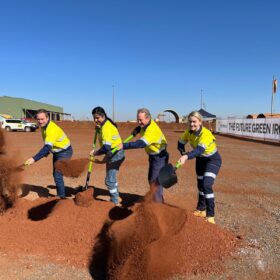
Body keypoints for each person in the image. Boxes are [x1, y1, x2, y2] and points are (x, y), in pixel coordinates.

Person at [177, 111, 222, 224]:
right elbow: (180, 142)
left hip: (212, 159)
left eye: (194, 122)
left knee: (206, 185)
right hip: (200, 160)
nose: (192, 124)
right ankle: (201, 209)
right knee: (200, 185)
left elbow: (199, 150)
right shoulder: (188, 132)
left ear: (200, 122)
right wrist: (183, 152)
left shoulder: (205, 134)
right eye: (190, 122)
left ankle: (210, 215)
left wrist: (186, 156)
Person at [119, 108, 169, 203]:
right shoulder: (145, 125)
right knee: (151, 180)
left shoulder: (152, 130)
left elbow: (140, 144)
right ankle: (158, 201)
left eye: (141, 120)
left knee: (155, 183)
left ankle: (158, 207)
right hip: (153, 157)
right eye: (138, 119)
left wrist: (124, 146)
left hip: (160, 157)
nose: (139, 122)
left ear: (148, 118)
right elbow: (140, 128)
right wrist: (137, 129)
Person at [25, 109, 73, 199]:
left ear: (47, 118)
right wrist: (48, 151)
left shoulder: (51, 129)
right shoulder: (44, 127)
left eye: (42, 119)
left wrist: (34, 158)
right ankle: (61, 194)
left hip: (65, 152)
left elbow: (47, 146)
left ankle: (61, 197)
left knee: (57, 174)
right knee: (56, 174)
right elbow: (49, 145)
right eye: (38, 119)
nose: (40, 121)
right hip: (56, 152)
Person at [90, 107, 125, 206]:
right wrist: (98, 128)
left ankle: (115, 202)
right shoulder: (104, 125)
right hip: (113, 153)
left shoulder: (106, 128)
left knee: (109, 180)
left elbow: (106, 147)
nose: (95, 120)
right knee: (111, 178)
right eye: (94, 118)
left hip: (116, 154)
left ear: (103, 115)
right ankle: (116, 196)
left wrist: (95, 153)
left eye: (97, 118)